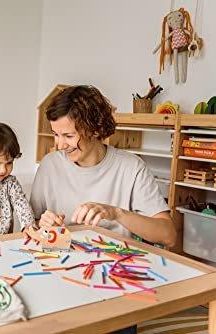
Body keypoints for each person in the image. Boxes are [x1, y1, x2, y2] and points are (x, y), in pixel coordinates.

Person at [30, 85, 177, 333]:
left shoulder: (131, 167)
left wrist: (117, 213)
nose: (59, 145)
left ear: (94, 129)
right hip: (59, 278)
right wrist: (43, 225)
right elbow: (32, 225)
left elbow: (168, 235)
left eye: (68, 136)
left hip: (114, 286)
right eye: (56, 135)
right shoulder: (49, 165)